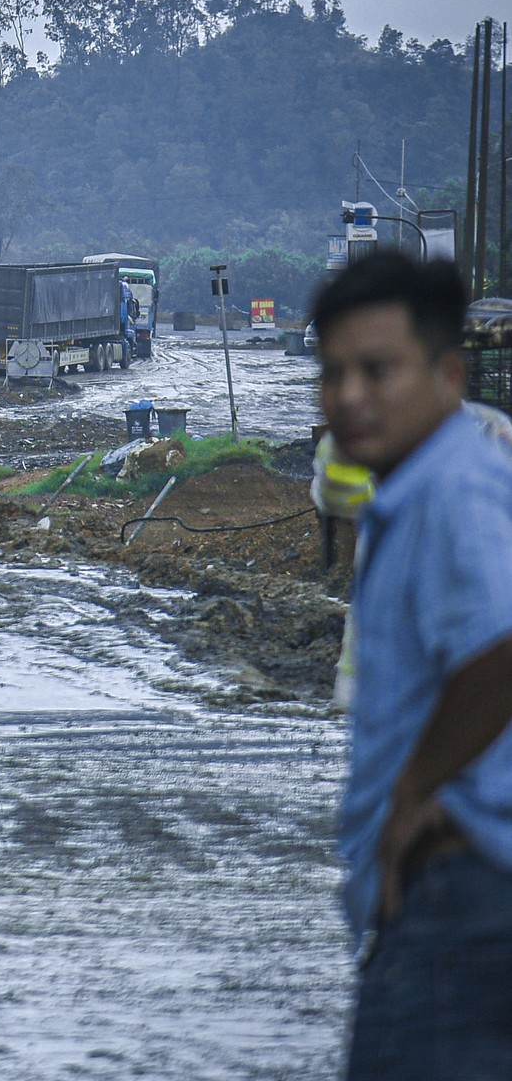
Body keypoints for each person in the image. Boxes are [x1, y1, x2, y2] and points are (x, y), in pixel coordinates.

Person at [312, 252, 512, 1076]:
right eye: (333, 373)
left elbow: (502, 647)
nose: (351, 396)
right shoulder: (407, 492)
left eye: (379, 370)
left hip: (453, 896)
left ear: (449, 373)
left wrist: (412, 791)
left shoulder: (452, 489)